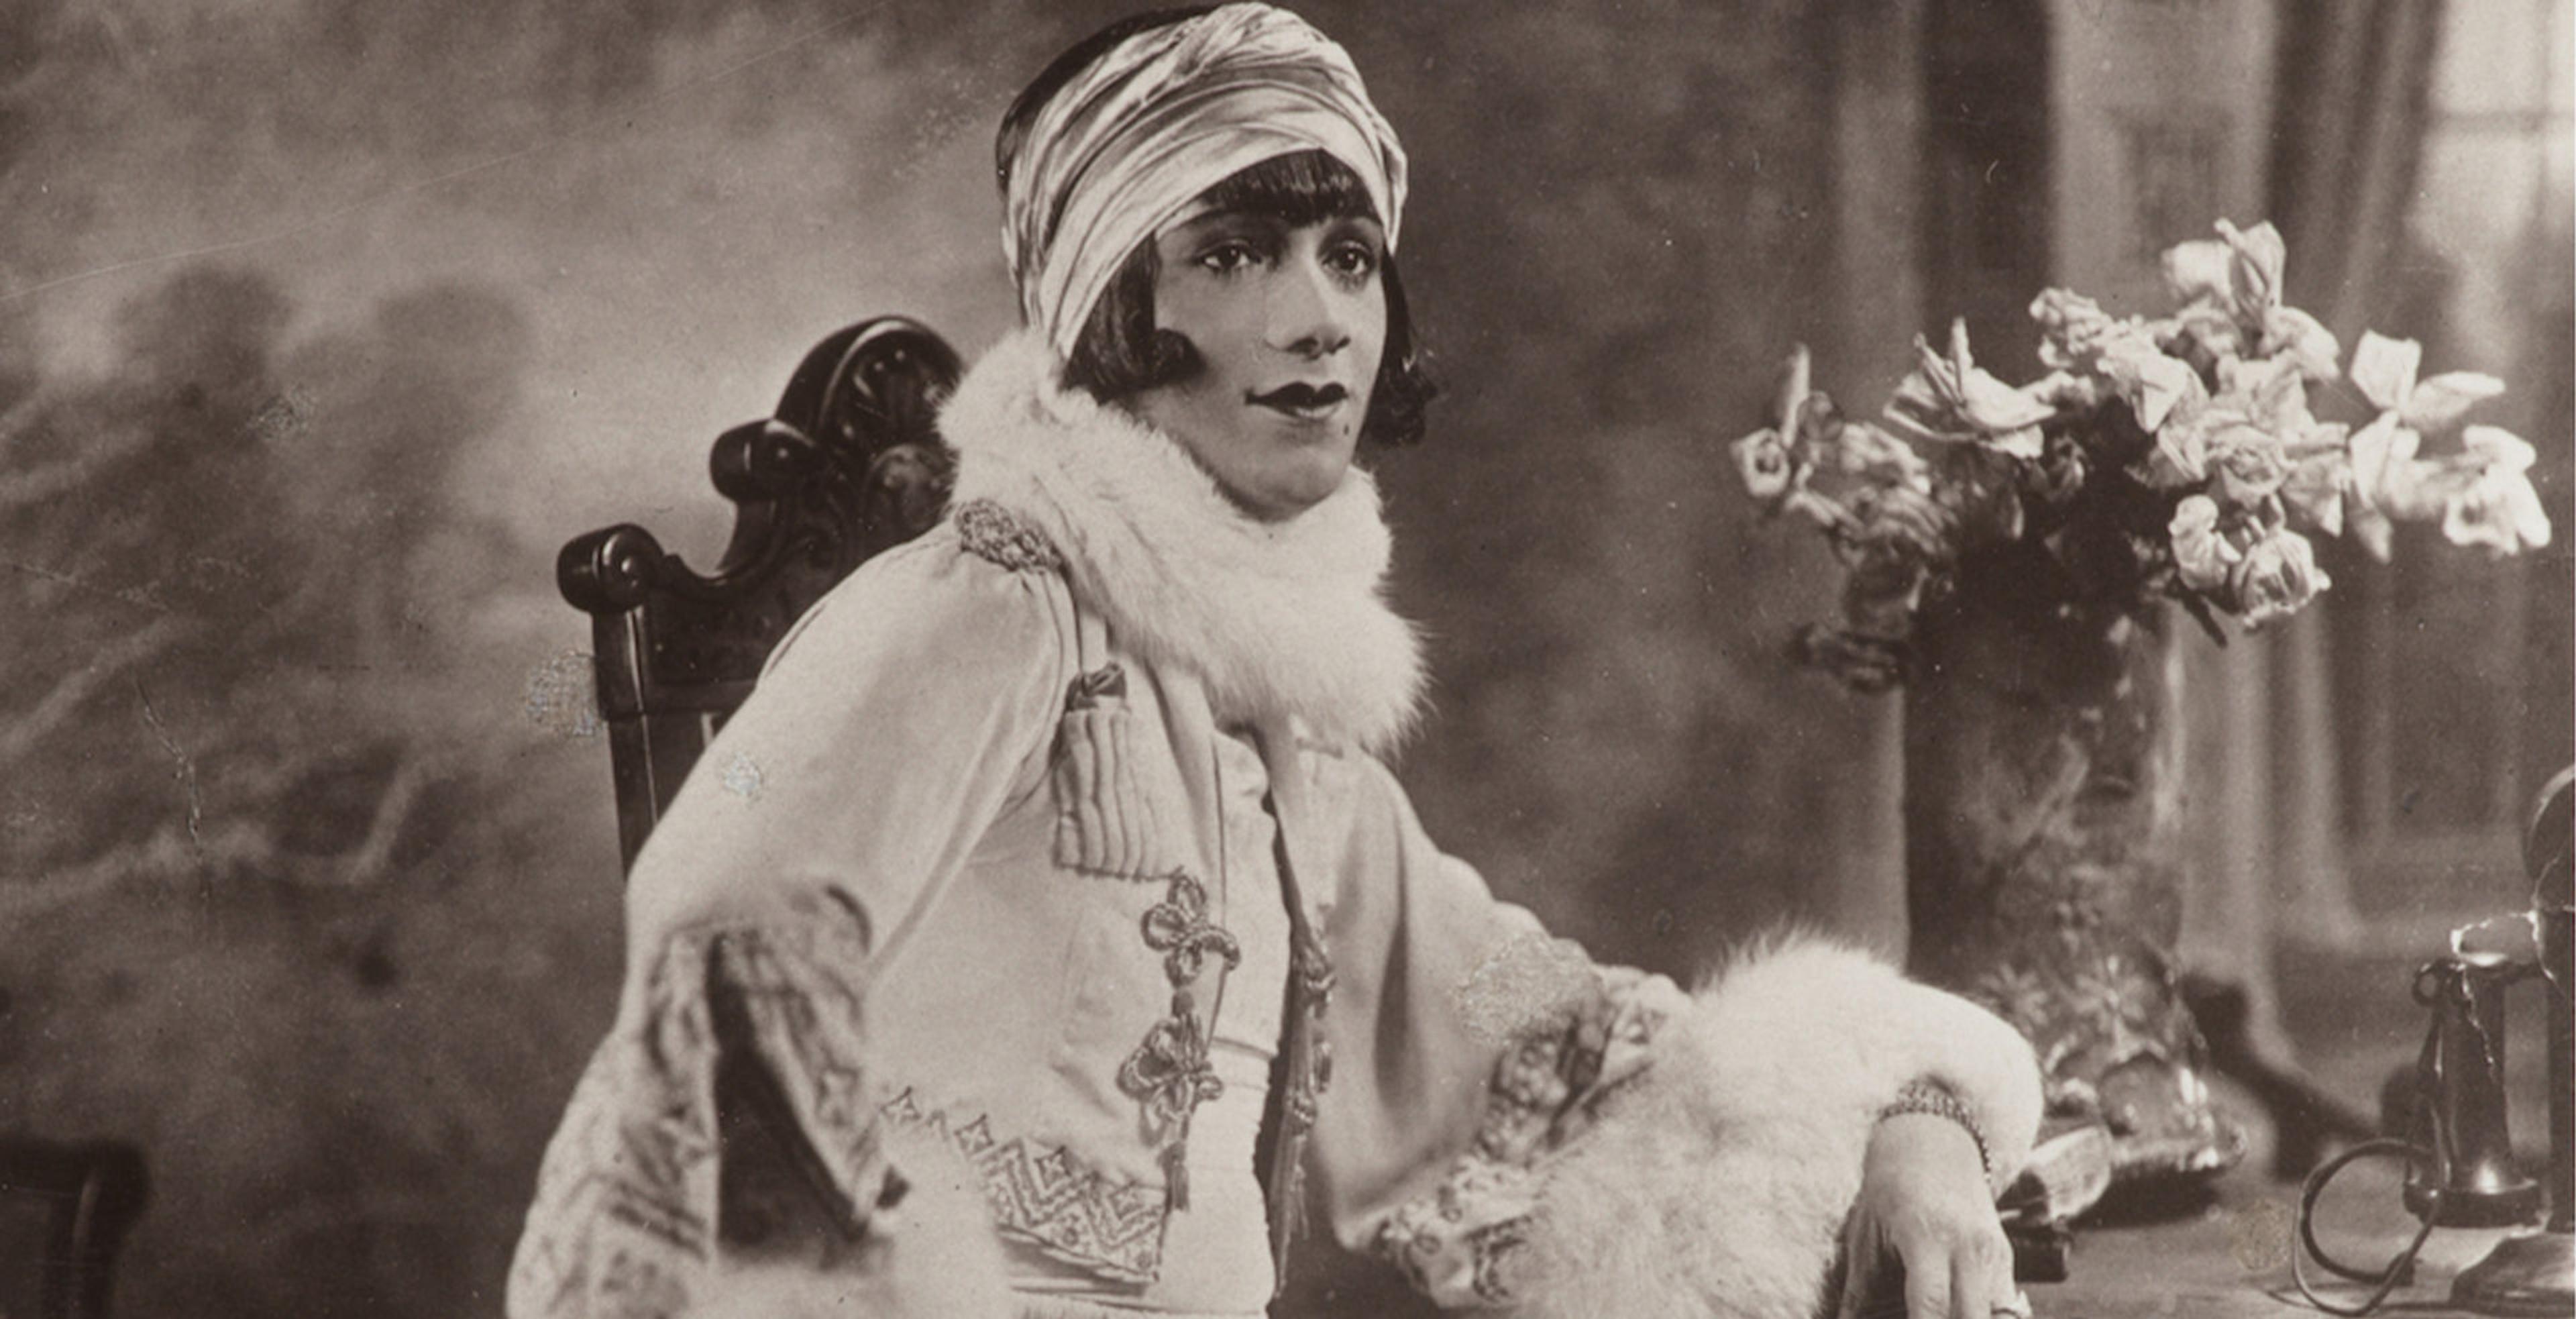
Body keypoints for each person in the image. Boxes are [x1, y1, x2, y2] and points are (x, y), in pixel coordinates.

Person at [505, 7, 2045, 1318]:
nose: (1318, 319)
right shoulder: (992, 603)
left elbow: (1563, 1040)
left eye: (1350, 254)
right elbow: (724, 958)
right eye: (1236, 252)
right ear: (1117, 306)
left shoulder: (1294, 757)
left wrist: (1911, 1115)